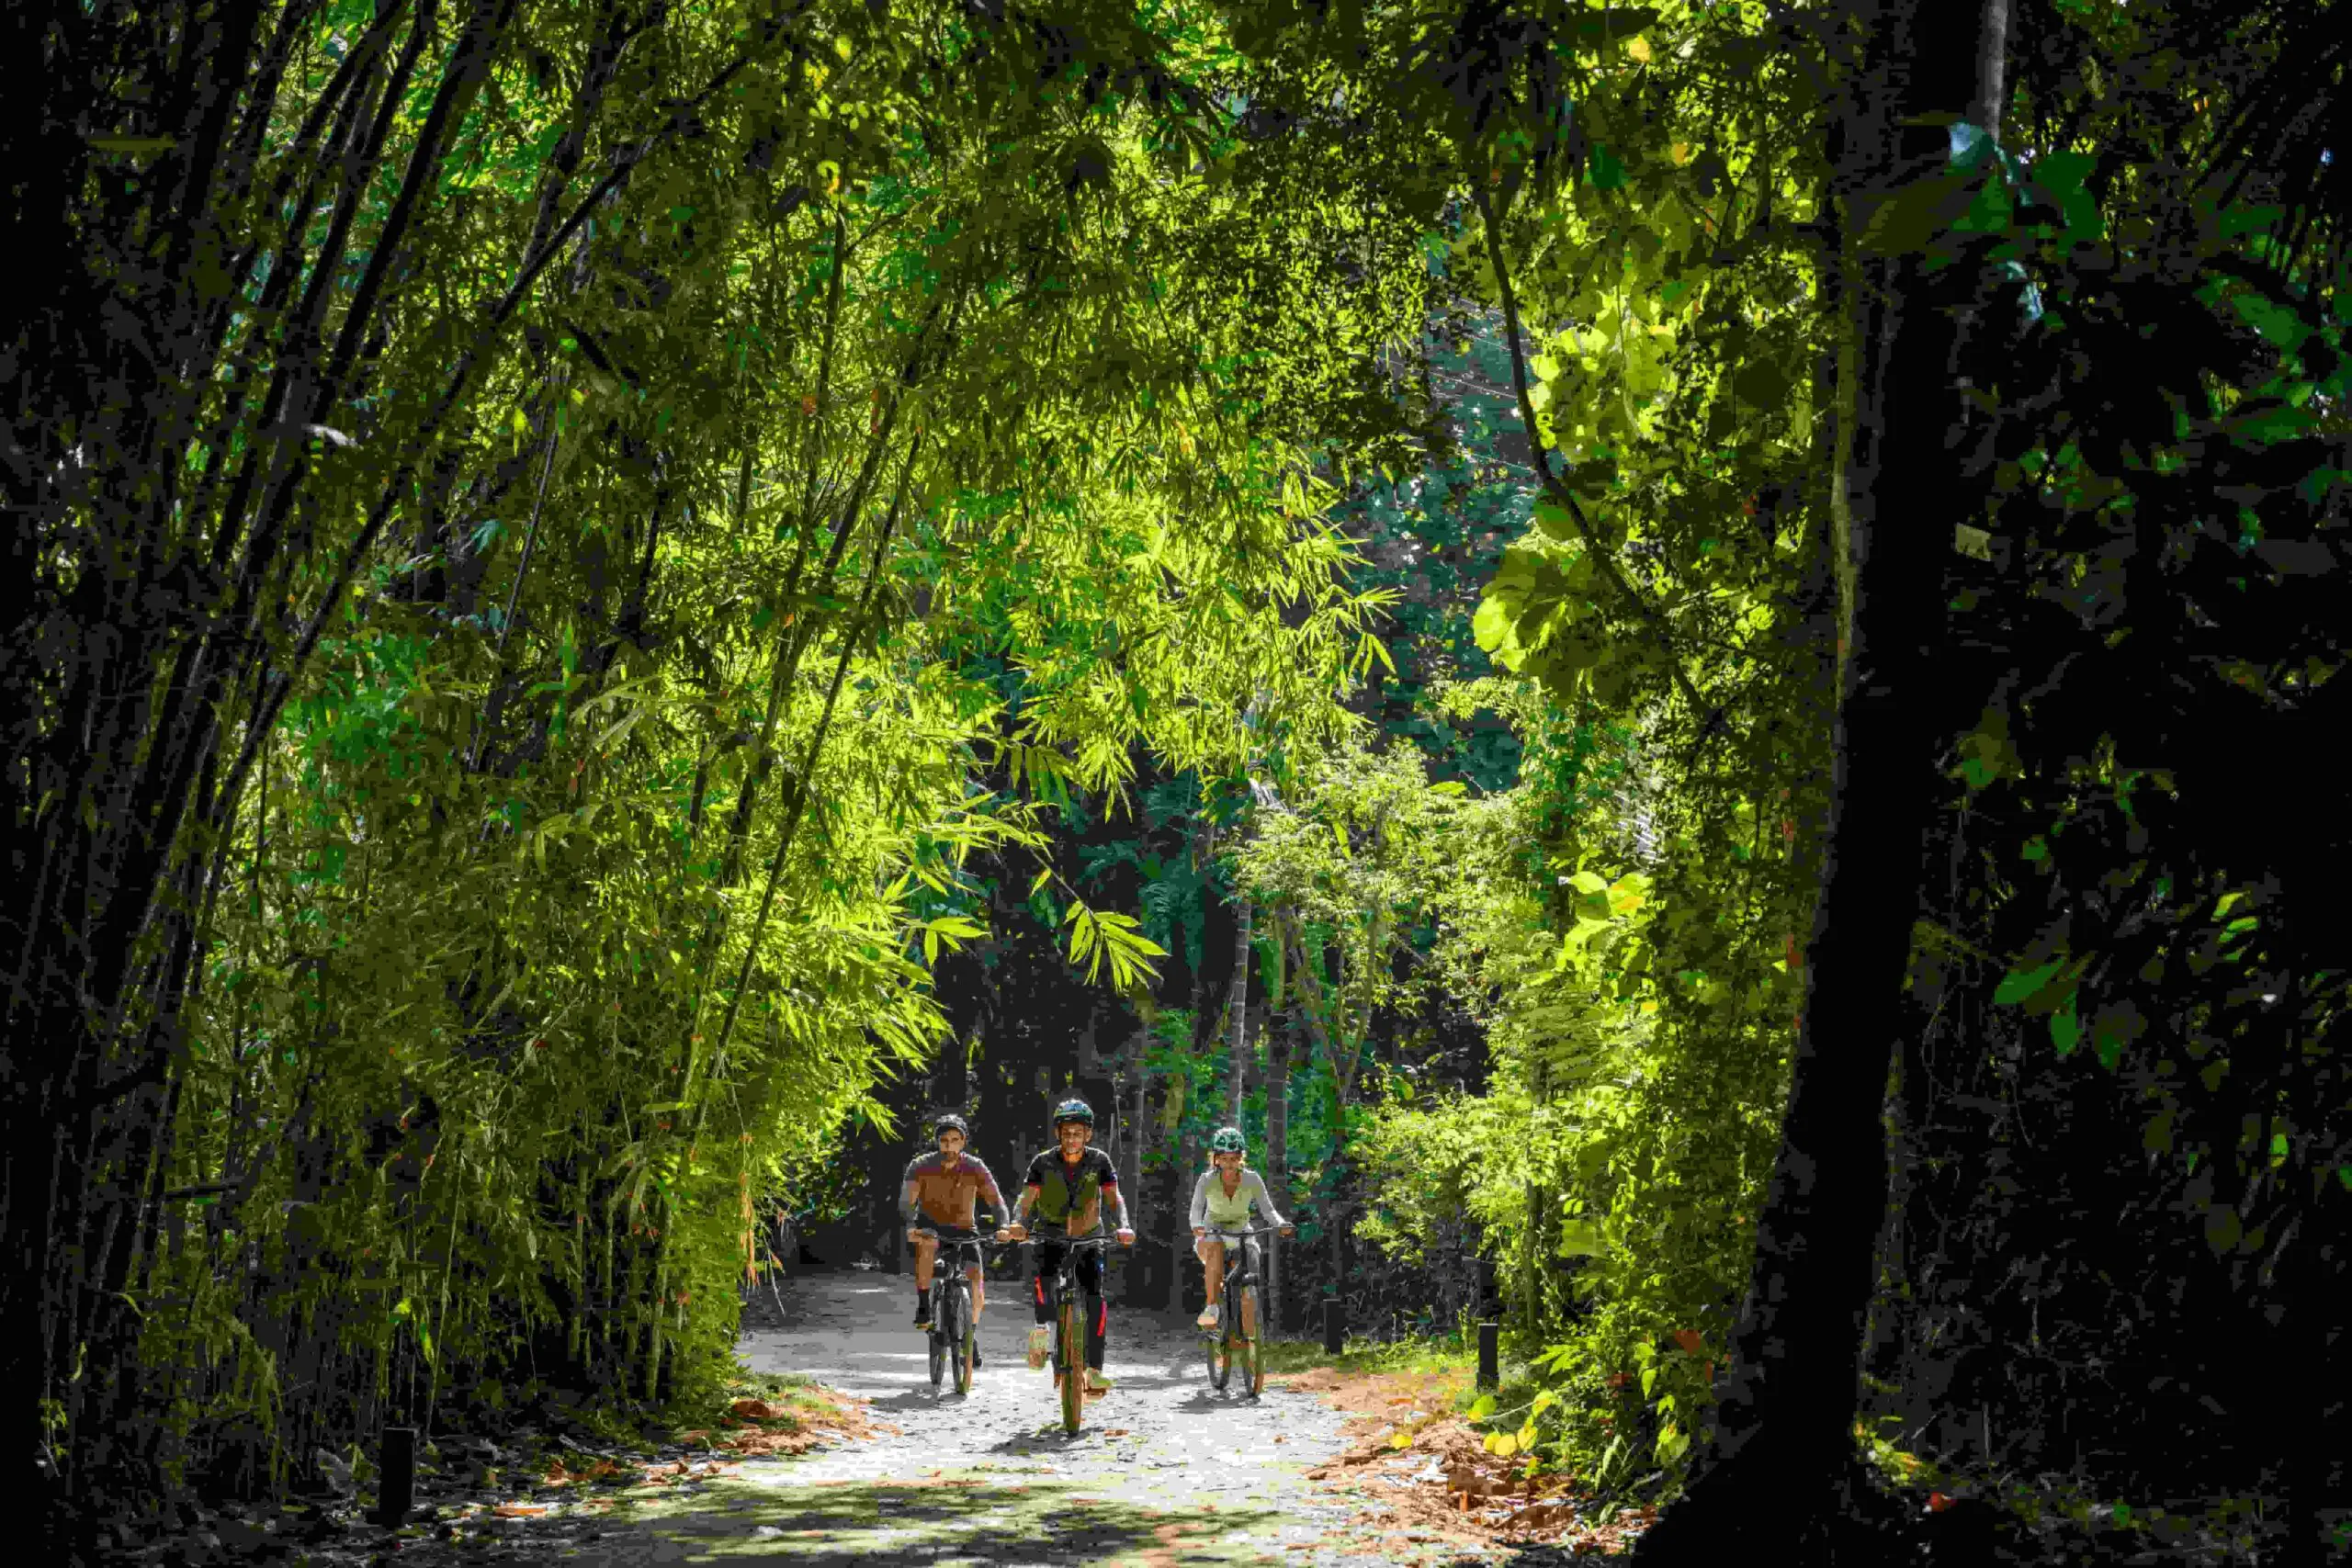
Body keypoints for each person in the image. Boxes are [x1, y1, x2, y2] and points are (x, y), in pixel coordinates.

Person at [994, 1098, 1134, 1395]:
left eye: (1078, 1133)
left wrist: (1123, 1224)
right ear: (1058, 1134)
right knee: (1044, 1274)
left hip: (1089, 1236)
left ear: (1088, 1135)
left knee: (1096, 1299)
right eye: (1066, 1132)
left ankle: (1095, 1370)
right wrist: (1018, 1222)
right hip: (1051, 1234)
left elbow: (1114, 1198)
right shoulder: (1042, 1163)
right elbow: (1026, 1198)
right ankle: (1042, 1330)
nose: (1072, 1138)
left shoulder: (1099, 1161)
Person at [899, 1113, 1006, 1369]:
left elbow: (996, 1200)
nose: (950, 1146)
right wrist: (910, 1225)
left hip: (965, 1229)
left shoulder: (975, 1166)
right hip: (930, 1227)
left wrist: (1003, 1225)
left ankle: (970, 1335)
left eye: (955, 1140)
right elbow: (907, 1200)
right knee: (927, 1243)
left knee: (977, 1286)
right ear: (937, 1142)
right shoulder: (921, 1165)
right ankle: (924, 1304)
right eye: (944, 1141)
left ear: (963, 1141)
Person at [1190, 1126, 1293, 1334]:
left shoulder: (1252, 1179)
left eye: (1234, 1158)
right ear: (1216, 1159)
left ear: (1241, 1158)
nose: (1230, 1164)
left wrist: (1280, 1224)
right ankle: (1212, 1308)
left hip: (1242, 1233)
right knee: (1215, 1250)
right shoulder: (1206, 1180)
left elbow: (1268, 1209)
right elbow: (1196, 1209)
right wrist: (1197, 1227)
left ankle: (1249, 1333)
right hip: (1212, 1232)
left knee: (1251, 1267)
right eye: (1225, 1159)